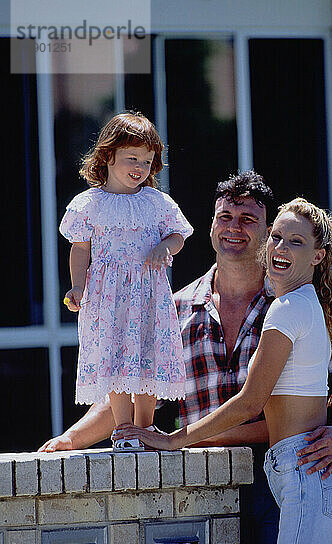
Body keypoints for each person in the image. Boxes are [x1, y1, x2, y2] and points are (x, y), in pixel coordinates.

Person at [40, 171, 332, 544]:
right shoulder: (175, 307)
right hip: (205, 484)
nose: (234, 227)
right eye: (225, 215)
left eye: (249, 219)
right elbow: (129, 385)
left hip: (282, 477)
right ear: (211, 225)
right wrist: (69, 439)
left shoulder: (292, 299)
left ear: (269, 232)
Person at [130, 196, 332, 544]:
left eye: (295, 242)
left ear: (318, 256)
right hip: (330, 484)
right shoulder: (313, 306)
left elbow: (250, 402)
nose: (280, 249)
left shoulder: (286, 309)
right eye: (276, 238)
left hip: (306, 481)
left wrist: (174, 439)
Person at [59, 111, 193, 451]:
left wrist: (165, 246)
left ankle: (145, 429)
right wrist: (77, 286)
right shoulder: (90, 203)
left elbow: (178, 234)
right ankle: (123, 429)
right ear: (108, 156)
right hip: (108, 297)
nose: (140, 167)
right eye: (132, 158)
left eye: (147, 161)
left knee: (147, 355)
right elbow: (80, 249)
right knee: (116, 358)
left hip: (147, 295)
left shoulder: (155, 202)